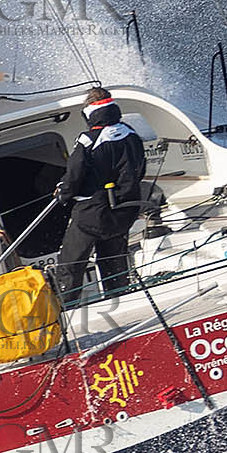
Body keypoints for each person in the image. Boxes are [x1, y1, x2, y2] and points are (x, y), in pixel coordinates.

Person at [52, 87, 147, 302]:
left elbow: (74, 175)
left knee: (70, 264)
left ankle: (66, 308)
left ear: (90, 112)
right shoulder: (131, 135)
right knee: (114, 261)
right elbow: (140, 170)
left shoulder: (87, 140)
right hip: (124, 211)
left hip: (91, 213)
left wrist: (63, 194)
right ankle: (121, 299)